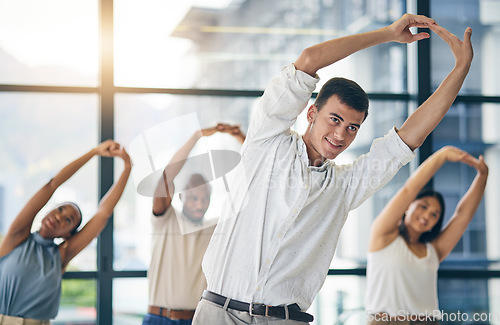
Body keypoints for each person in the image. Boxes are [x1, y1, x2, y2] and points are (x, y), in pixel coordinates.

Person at [193, 14, 474, 325]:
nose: (341, 134)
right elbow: (310, 59)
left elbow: (409, 137)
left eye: (352, 127)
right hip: (218, 313)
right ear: (312, 112)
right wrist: (387, 34)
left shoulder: (344, 186)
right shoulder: (266, 142)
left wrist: (461, 69)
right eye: (335, 119)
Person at [0, 140, 132, 324]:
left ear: (68, 234)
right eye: (61, 209)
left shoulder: (61, 255)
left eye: (69, 220)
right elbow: (52, 184)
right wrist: (93, 152)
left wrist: (127, 166)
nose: (60, 217)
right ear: (48, 210)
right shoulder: (17, 237)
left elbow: (104, 213)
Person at [365, 146, 488, 324]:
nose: (427, 216)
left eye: (434, 215)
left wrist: (482, 176)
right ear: (408, 206)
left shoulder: (433, 251)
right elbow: (409, 189)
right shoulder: (382, 236)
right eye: (423, 206)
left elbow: (462, 216)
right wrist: (442, 155)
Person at [143, 123, 245, 325]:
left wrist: (242, 140)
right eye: (193, 198)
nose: (199, 204)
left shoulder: (216, 228)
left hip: (198, 320)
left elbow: (253, 187)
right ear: (181, 197)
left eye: (204, 199)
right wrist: (196, 137)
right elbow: (166, 179)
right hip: (159, 318)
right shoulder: (166, 220)